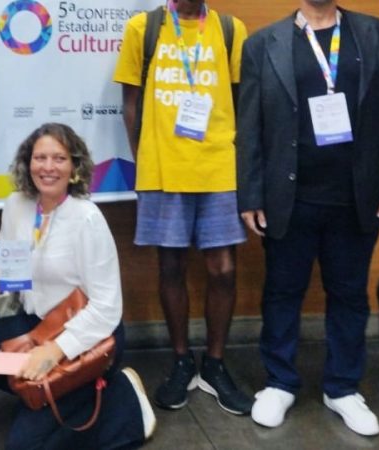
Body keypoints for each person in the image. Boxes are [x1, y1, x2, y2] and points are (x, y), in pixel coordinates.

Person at [236, 0, 379, 436]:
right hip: (289, 196)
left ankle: (343, 387)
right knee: (282, 292)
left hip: (355, 196)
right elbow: (251, 126)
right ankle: (279, 382)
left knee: (349, 294)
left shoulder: (378, 35)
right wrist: (251, 194)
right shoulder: (263, 44)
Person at [0, 123, 156, 449]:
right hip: (36, 325)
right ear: (27, 163)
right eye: (40, 157)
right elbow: (7, 265)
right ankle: (45, 390)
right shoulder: (17, 205)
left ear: (74, 167)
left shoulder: (87, 218)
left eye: (59, 158)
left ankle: (122, 399)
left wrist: (55, 351)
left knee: (23, 446)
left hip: (88, 335)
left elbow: (107, 308)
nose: (48, 167)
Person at [113, 0, 253, 414]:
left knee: (223, 269)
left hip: (218, 168)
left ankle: (215, 364)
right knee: (170, 266)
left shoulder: (231, 30)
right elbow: (130, 105)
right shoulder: (144, 29)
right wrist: (143, 159)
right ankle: (180, 361)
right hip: (163, 169)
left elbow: (242, 101)